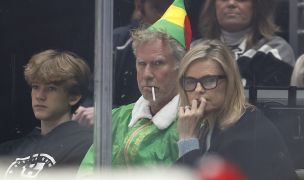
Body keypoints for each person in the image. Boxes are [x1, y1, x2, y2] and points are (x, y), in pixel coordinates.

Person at [77, 0, 191, 175]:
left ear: (181, 66)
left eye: (158, 63)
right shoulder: (116, 118)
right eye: (141, 63)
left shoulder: (192, 123)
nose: (147, 74)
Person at [175, 39, 297, 180]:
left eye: (208, 80)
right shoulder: (209, 127)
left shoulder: (247, 131)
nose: (198, 89)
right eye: (190, 82)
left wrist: (188, 141)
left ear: (230, 82)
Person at [0, 50, 93, 178]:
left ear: (73, 97)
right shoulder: (9, 149)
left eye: (51, 88)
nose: (39, 96)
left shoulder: (87, 144)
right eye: (35, 87)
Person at [72, 0, 174, 126]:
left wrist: (108, 114)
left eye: (158, 63)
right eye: (158, 9)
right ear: (139, 6)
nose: (165, 16)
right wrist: (87, 112)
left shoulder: (186, 46)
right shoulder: (119, 41)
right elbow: (93, 94)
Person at [194, 0, 295, 87]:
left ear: (256, 6)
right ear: (213, 6)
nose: (231, 3)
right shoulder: (194, 49)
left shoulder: (277, 49)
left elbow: (269, 103)